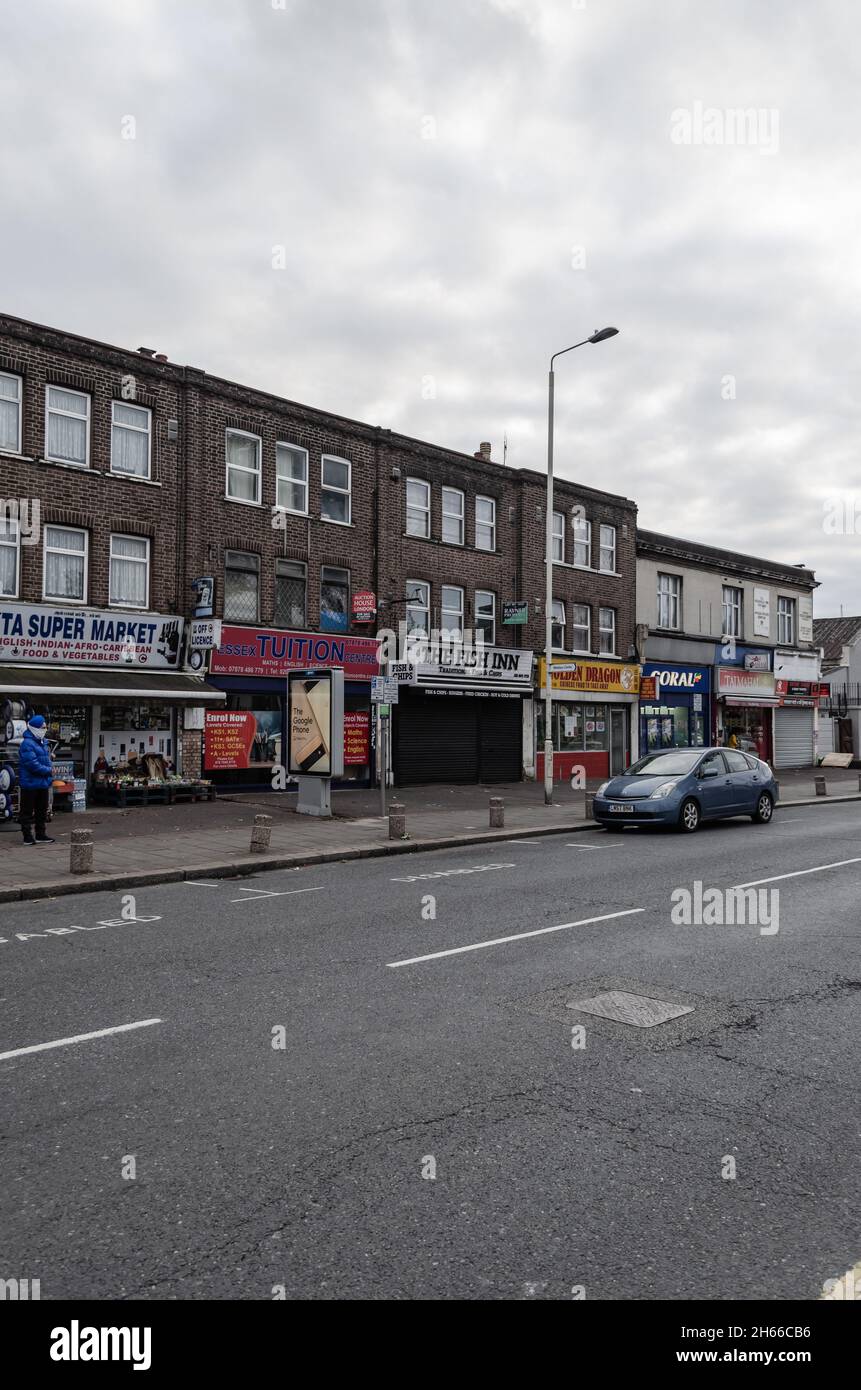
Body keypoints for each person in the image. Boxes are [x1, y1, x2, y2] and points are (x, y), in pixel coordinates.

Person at [18, 714, 56, 845]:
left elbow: (41, 760)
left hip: (42, 783)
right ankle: (27, 836)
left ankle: (40, 834)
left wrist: (49, 757)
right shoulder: (27, 744)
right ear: (35, 728)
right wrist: (49, 770)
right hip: (30, 783)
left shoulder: (43, 742)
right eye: (42, 727)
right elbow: (32, 764)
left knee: (41, 810)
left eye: (45, 727)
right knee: (27, 811)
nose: (44, 729)